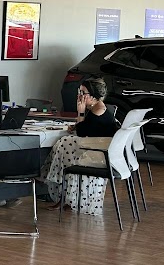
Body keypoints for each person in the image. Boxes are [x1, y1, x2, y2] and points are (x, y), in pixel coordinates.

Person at [42, 78, 118, 215]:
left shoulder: (98, 110)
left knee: (64, 143)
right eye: (79, 92)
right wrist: (78, 124)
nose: (79, 96)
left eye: (83, 93)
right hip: (96, 148)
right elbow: (84, 129)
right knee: (65, 144)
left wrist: (80, 112)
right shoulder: (96, 107)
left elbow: (82, 133)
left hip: (98, 153)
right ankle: (65, 196)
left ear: (93, 95)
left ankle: (55, 184)